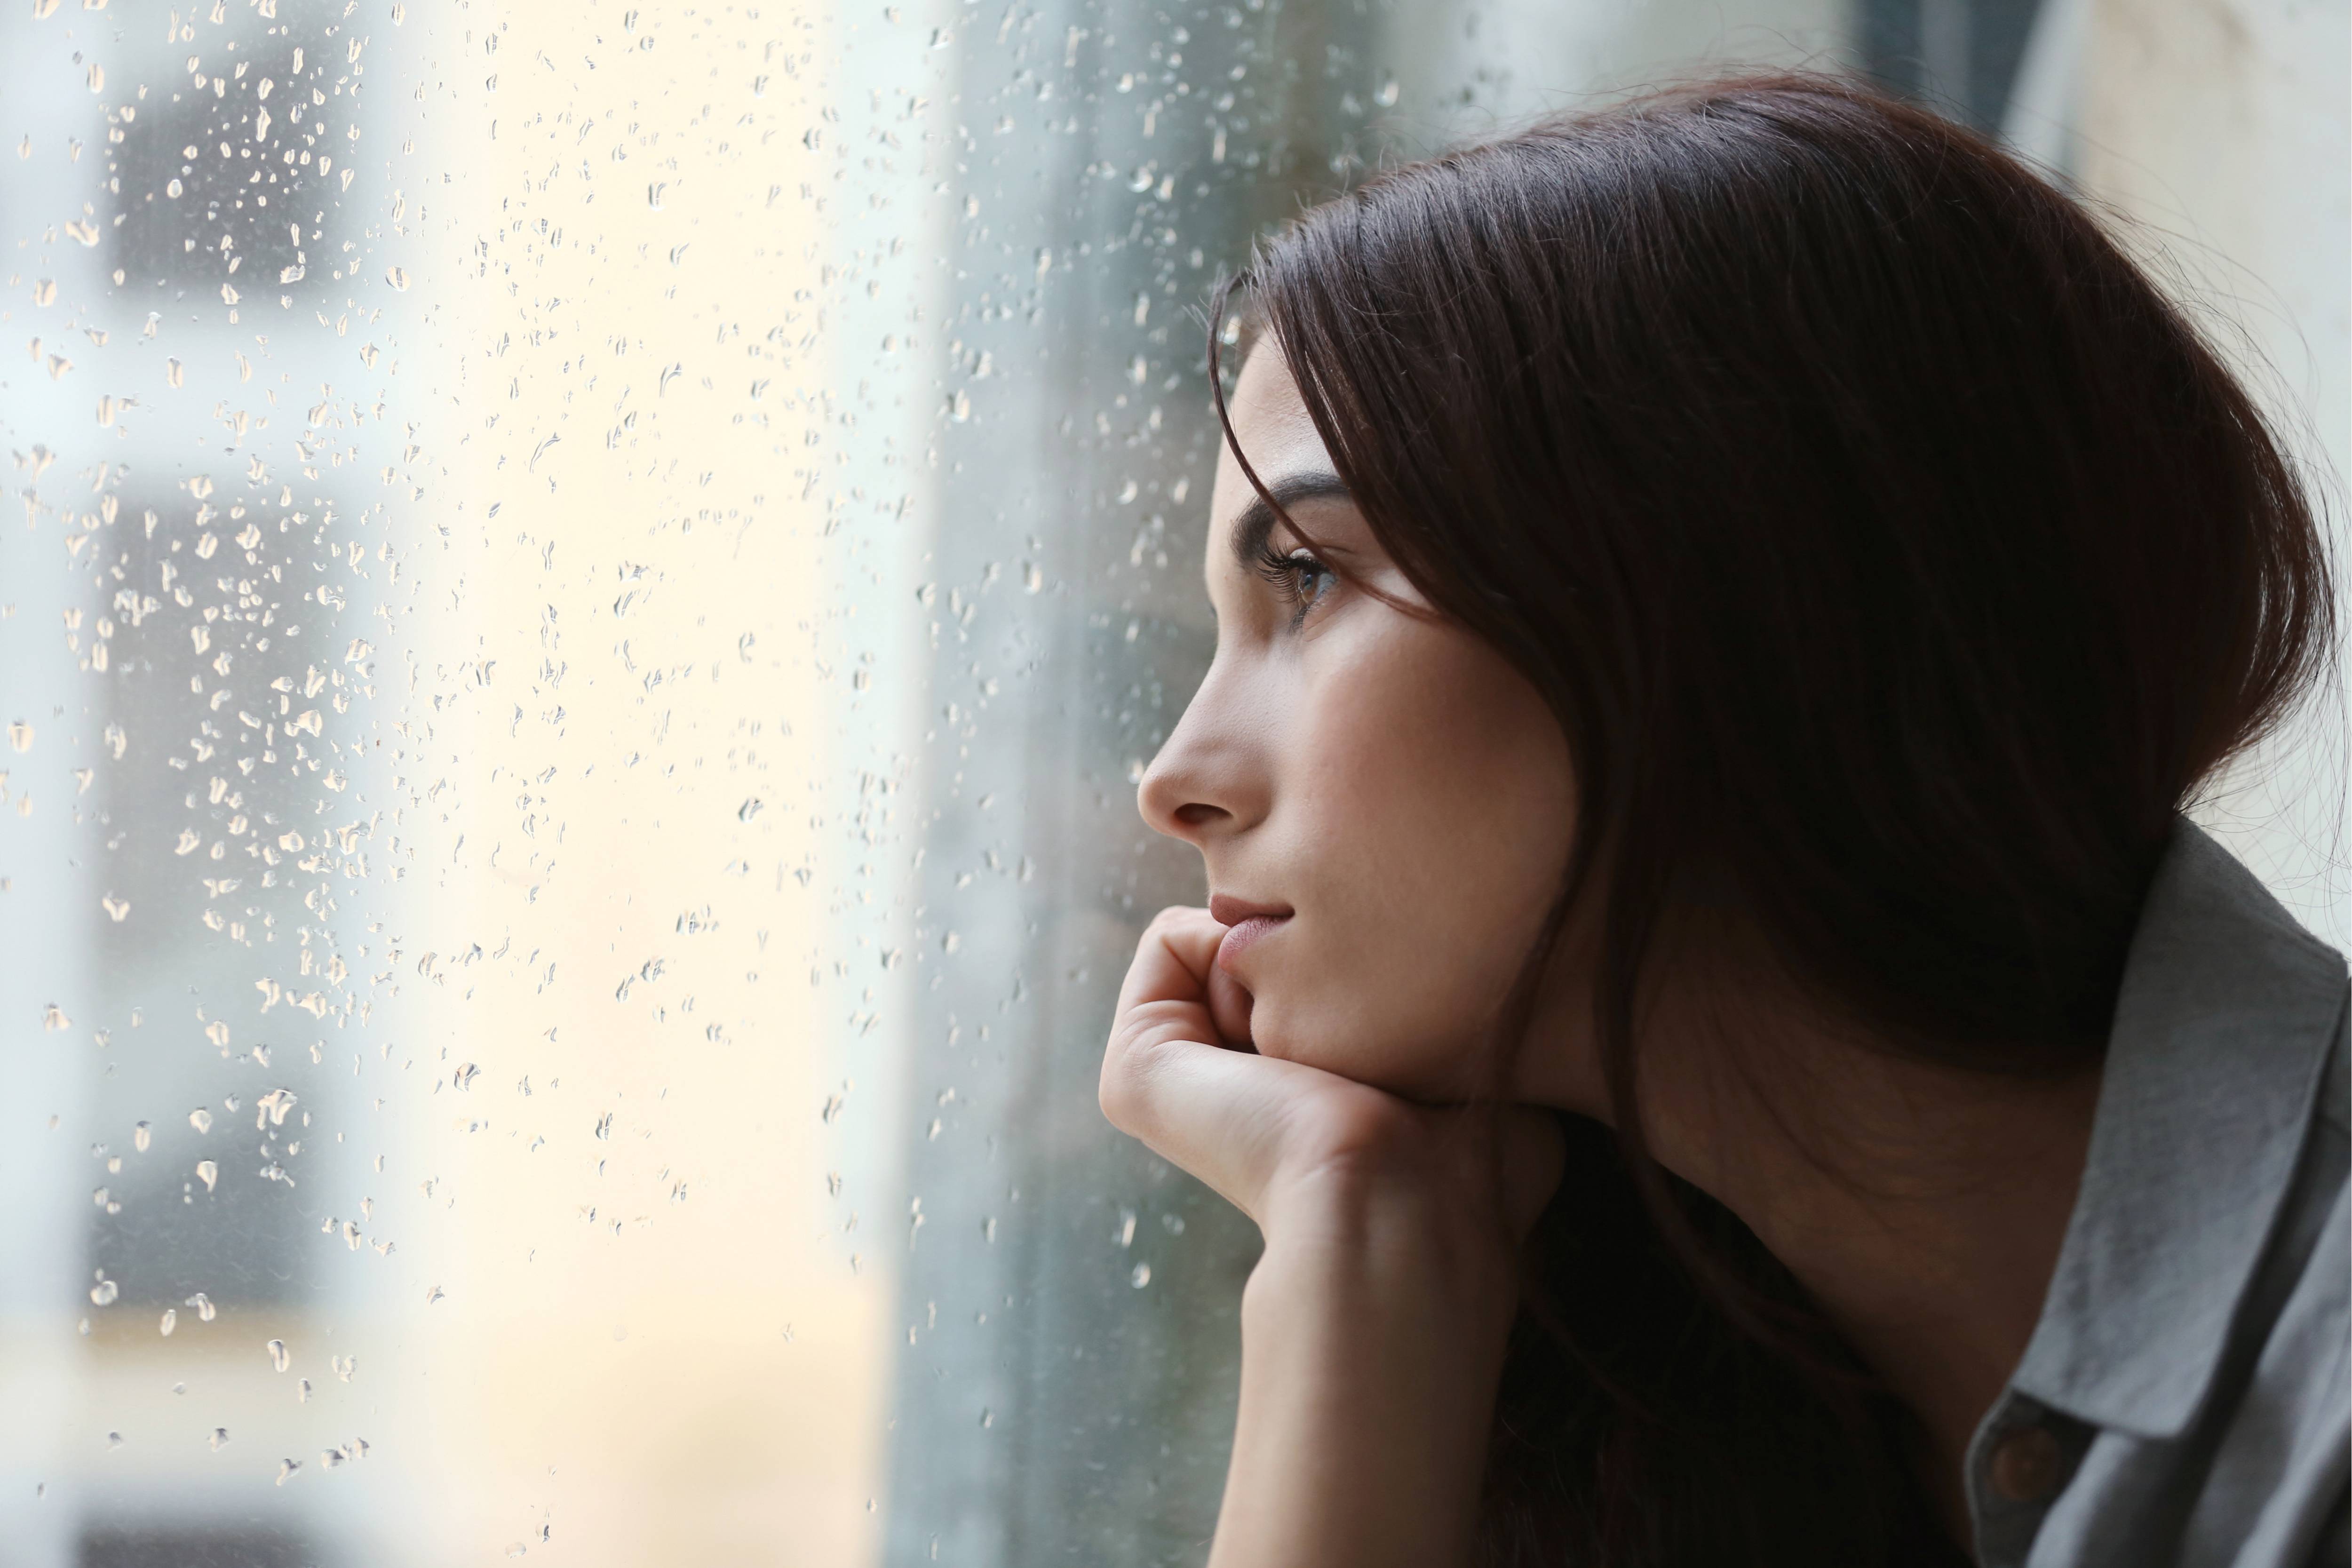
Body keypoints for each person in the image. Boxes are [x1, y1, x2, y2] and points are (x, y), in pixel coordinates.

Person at [1098, 73, 2348, 1568]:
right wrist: (1357, 1239)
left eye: (1305, 580)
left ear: (1736, 581)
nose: (1173, 777)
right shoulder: (1648, 1417)